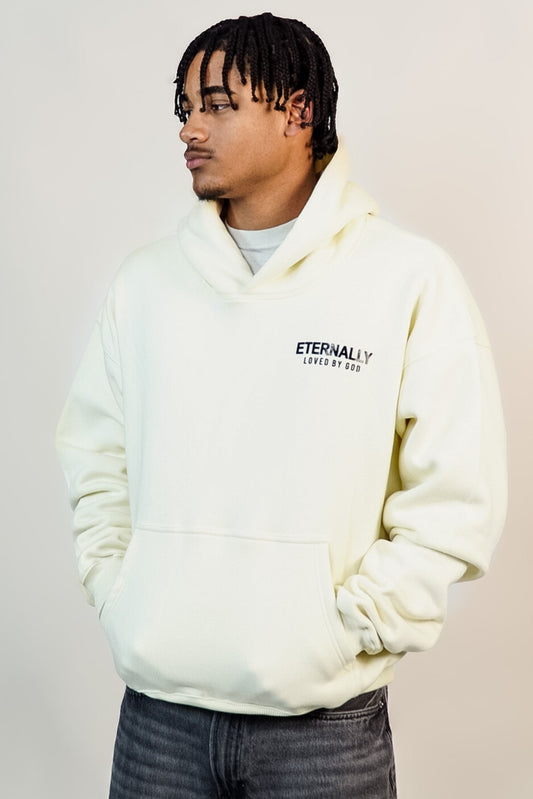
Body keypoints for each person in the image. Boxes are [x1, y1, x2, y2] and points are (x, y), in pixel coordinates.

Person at [56, 12, 507, 798]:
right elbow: (93, 456)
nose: (189, 128)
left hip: (322, 732)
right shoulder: (146, 284)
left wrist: (349, 629)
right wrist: (122, 594)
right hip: (160, 721)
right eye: (185, 107)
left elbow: (455, 497)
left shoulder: (405, 278)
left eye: (217, 104)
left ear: (297, 111)